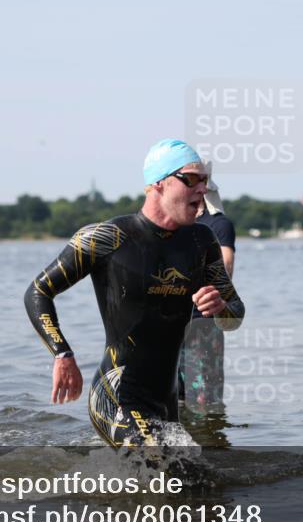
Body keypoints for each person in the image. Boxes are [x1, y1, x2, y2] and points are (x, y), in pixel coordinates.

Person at [24, 139, 245, 447]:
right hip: (117, 395)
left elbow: (234, 315)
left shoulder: (202, 241)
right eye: (191, 179)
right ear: (158, 184)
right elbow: (38, 291)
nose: (203, 189)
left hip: (166, 402)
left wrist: (221, 306)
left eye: (205, 181)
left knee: (201, 488)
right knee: (169, 473)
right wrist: (63, 355)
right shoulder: (107, 238)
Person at [178, 162, 236, 414]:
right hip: (170, 324)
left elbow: (226, 269)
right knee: (171, 399)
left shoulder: (219, 224)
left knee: (204, 401)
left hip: (202, 324)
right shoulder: (174, 223)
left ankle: (210, 445)